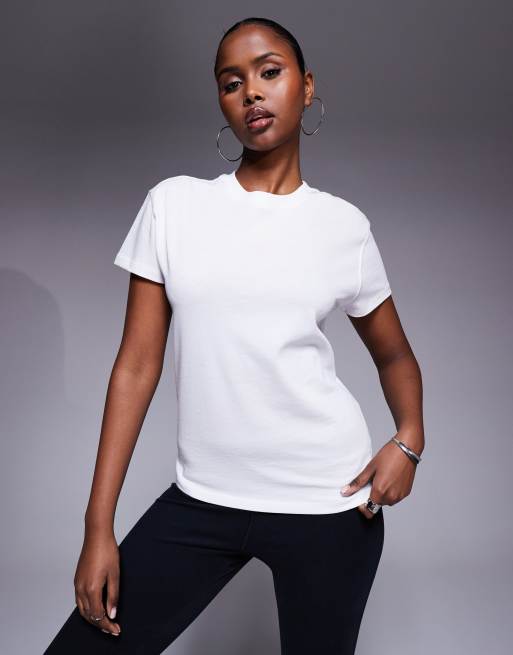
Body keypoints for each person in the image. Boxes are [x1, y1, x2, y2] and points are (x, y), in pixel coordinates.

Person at [44, 16, 424, 655]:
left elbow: (395, 356)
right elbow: (136, 367)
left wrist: (409, 440)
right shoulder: (174, 206)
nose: (251, 92)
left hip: (329, 506)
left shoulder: (343, 228)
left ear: (306, 87)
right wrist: (97, 528)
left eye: (269, 72)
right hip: (203, 502)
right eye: (231, 82)